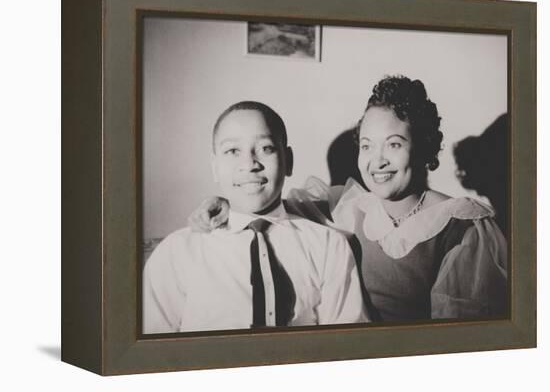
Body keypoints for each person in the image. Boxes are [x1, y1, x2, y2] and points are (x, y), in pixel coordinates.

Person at [190, 77, 508, 321]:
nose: (377, 161)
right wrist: (225, 202)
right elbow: (267, 206)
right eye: (367, 146)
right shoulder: (348, 206)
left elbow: (455, 345)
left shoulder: (461, 225)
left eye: (394, 144)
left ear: (424, 147)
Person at [143, 101, 368, 334]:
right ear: (215, 167)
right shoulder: (177, 252)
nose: (250, 164)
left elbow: (344, 343)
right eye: (232, 151)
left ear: (288, 161)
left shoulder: (329, 246)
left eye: (266, 148)